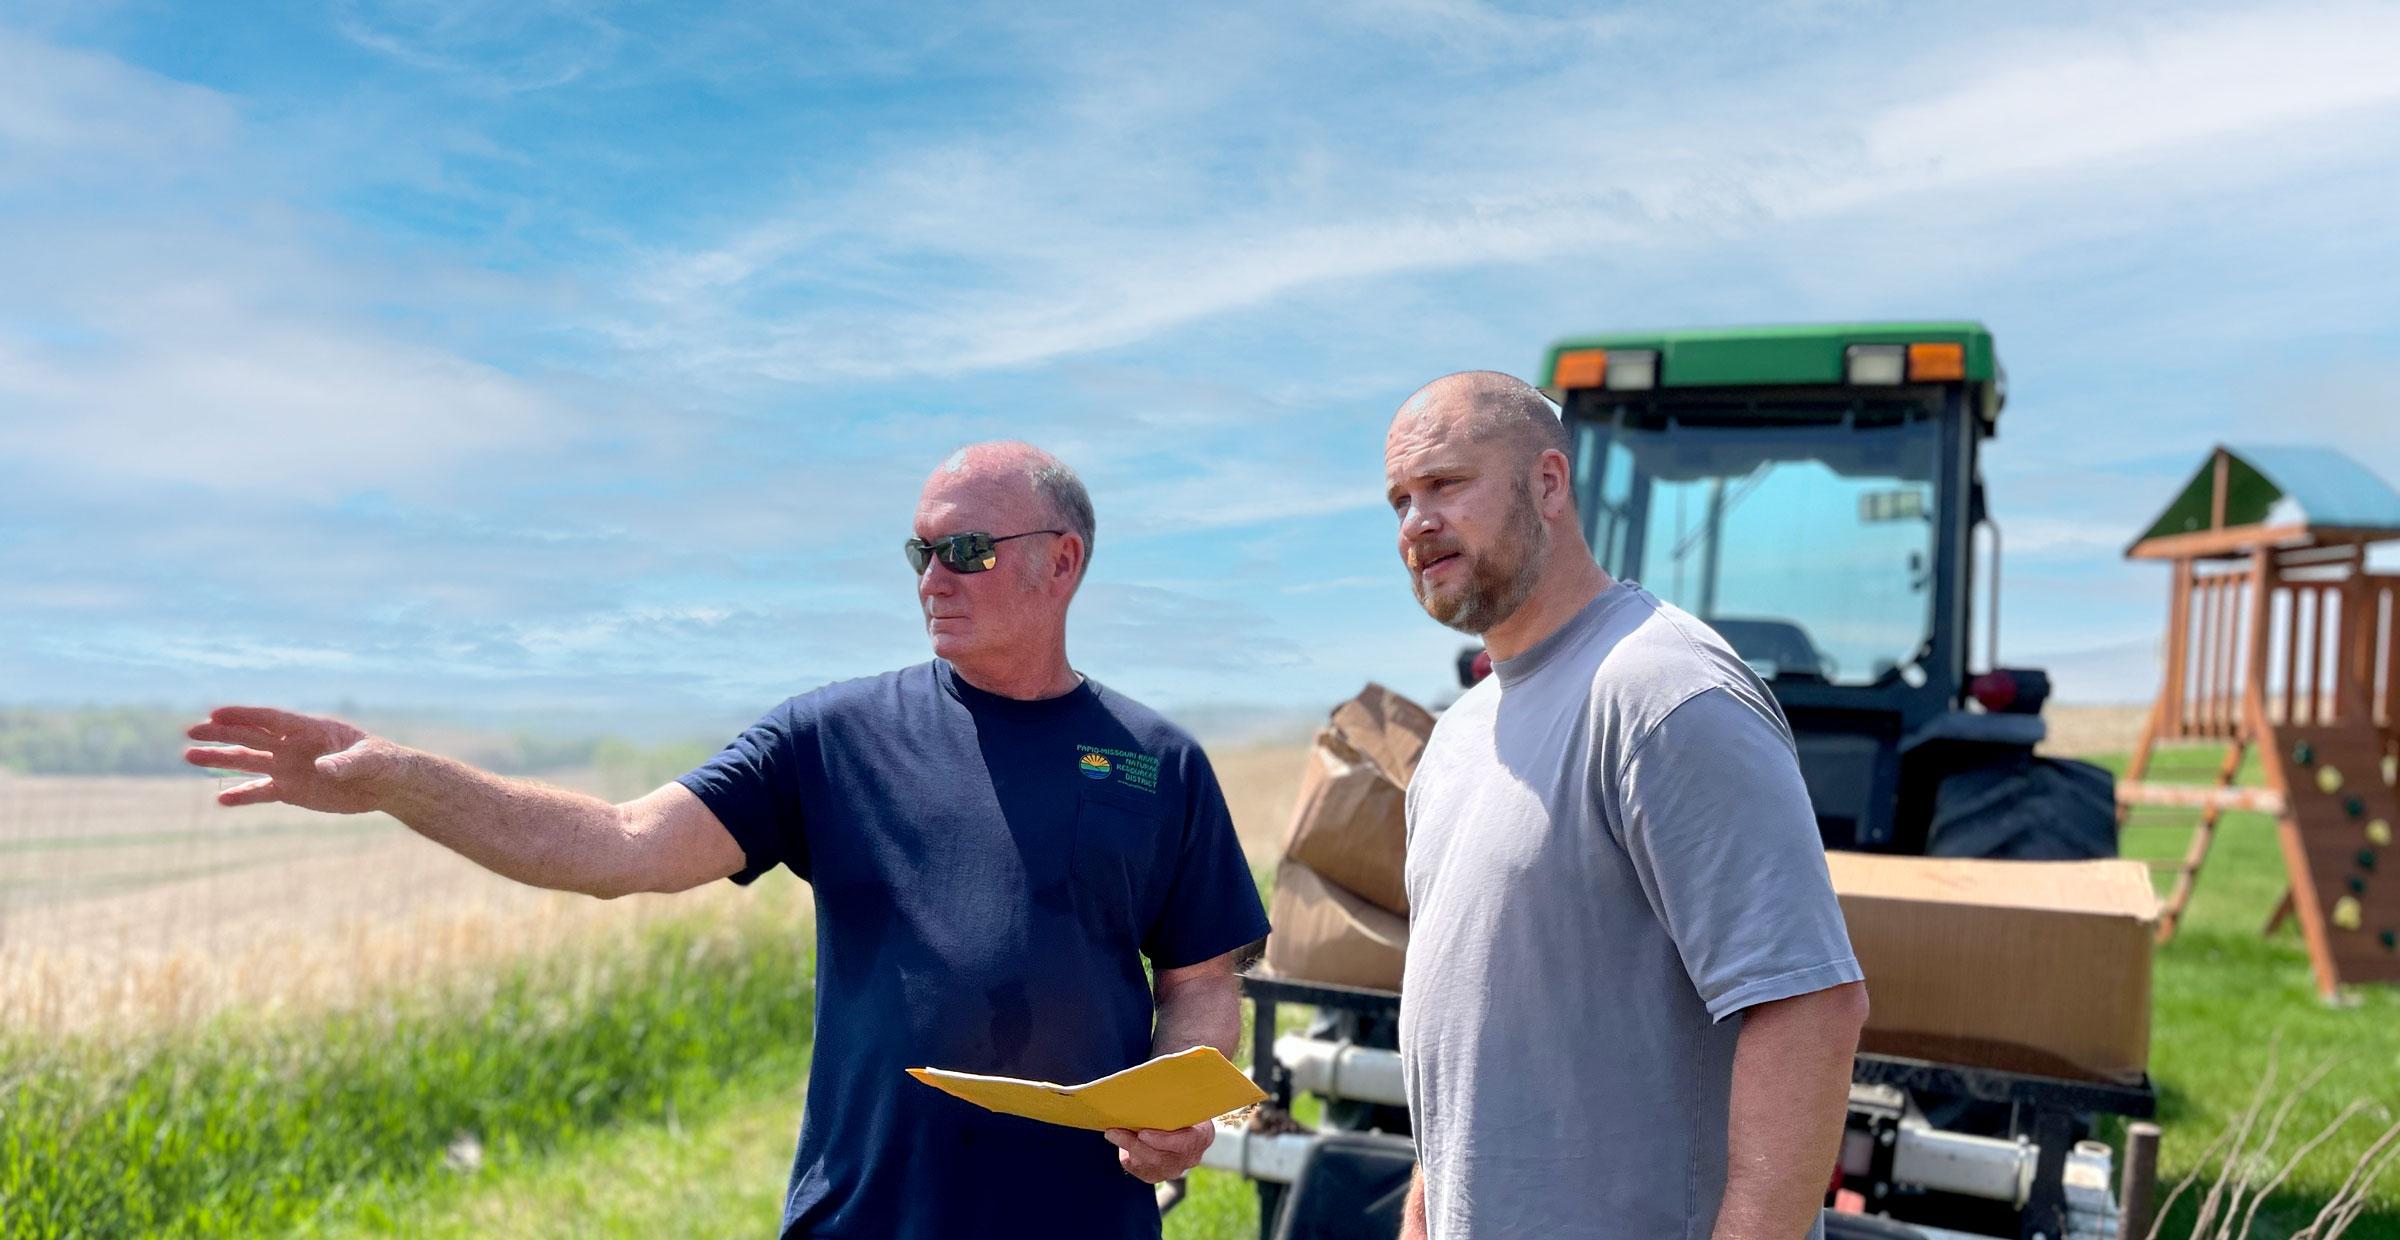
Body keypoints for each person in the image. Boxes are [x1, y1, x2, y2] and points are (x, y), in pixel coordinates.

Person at [182, 441, 1271, 1239]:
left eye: (968, 550)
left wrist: (1182, 1094)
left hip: (1083, 1224)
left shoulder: (1156, 760)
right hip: (866, 1218)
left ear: (1062, 561)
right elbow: (621, 844)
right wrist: (401, 781)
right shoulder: (831, 736)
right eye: (920, 551)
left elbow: (1198, 978)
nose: (933, 578)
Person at [1382, 372, 1869, 1239]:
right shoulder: (1458, 738)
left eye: (1447, 484)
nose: (1417, 522)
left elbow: (1809, 1011)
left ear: (1549, 484)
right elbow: (1474, 1045)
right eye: (1400, 500)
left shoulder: (1663, 693)